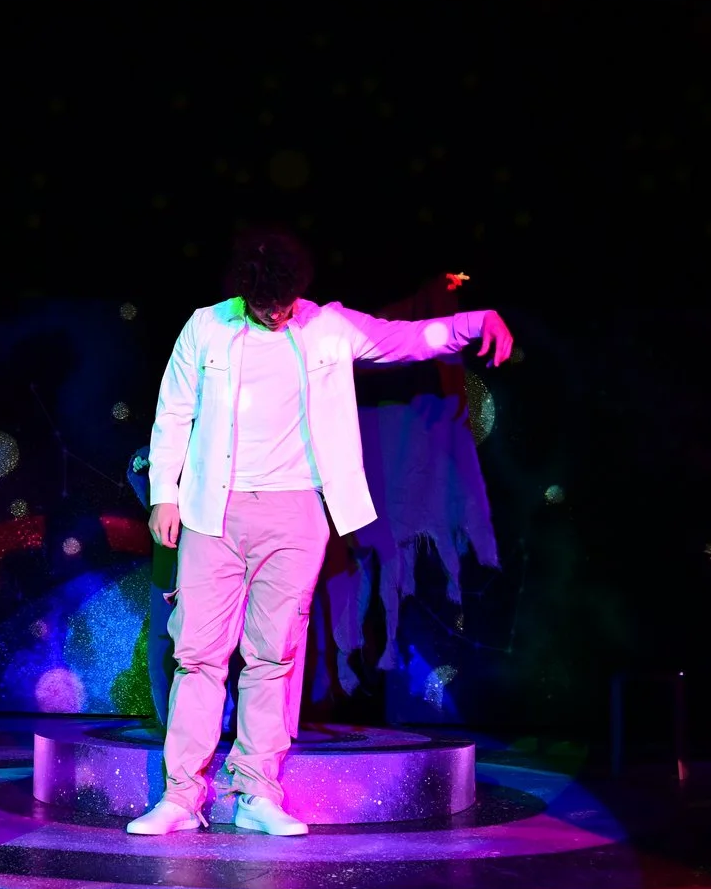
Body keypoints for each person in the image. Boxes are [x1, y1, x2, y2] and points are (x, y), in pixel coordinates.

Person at [128, 227, 514, 836]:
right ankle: (182, 797)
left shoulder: (327, 327)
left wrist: (474, 320)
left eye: (283, 304)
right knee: (198, 653)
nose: (274, 315)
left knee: (273, 654)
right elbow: (174, 410)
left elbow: (406, 341)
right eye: (263, 306)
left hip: (296, 514)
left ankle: (256, 791)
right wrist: (165, 495)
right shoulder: (207, 327)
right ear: (244, 294)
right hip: (212, 511)